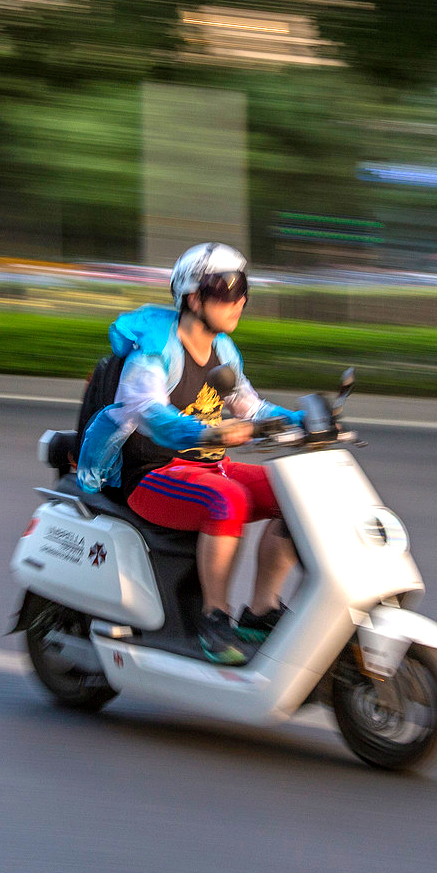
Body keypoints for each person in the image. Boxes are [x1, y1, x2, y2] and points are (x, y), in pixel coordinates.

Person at [76, 243, 303, 665]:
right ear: (193, 297)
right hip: (151, 473)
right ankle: (213, 621)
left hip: (207, 465)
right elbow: (148, 413)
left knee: (294, 495)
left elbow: (249, 405)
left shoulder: (223, 350)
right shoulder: (155, 352)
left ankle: (260, 612)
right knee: (227, 499)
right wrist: (211, 431)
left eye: (243, 288)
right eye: (225, 288)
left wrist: (303, 419)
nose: (239, 300)